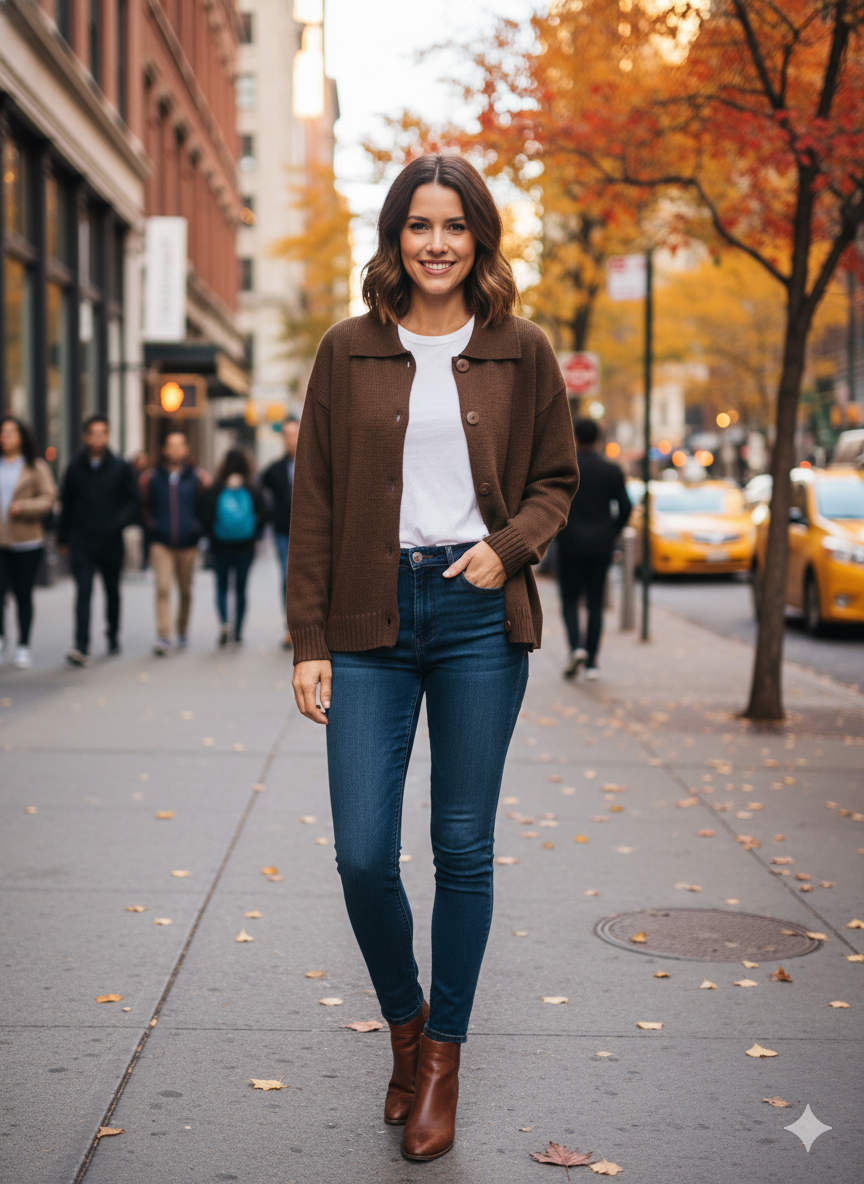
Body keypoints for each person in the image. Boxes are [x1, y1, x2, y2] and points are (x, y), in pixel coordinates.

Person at [286, 154, 578, 1162]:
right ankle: (405, 1024)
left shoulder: (522, 349)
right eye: (420, 224)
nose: (438, 242)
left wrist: (508, 548)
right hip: (368, 616)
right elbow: (313, 502)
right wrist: (310, 641)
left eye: (455, 224)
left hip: (475, 618)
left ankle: (441, 1059)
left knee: (461, 845)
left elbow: (557, 478)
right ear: (395, 237)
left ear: (480, 236)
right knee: (364, 851)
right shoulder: (346, 349)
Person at [58, 415, 140, 666]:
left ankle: (112, 635)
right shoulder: (74, 467)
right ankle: (81, 644)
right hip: (82, 540)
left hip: (110, 541)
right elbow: (67, 504)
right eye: (92, 433)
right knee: (83, 592)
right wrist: (63, 539)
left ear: (108, 436)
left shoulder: (120, 467)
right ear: (85, 437)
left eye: (102, 433)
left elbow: (133, 500)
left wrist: (119, 522)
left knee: (112, 591)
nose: (97, 438)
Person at [557, 417, 631, 680]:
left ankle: (576, 647)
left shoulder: (567, 468)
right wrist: (613, 532)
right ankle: (592, 663)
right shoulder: (611, 470)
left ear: (575, 438)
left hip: (570, 543)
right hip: (600, 545)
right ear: (599, 440)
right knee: (595, 602)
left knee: (569, 599)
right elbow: (626, 506)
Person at [140, 432, 208, 656]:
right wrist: (152, 527)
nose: (175, 451)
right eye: (171, 446)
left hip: (188, 543)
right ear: (164, 450)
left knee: (186, 590)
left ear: (186, 450)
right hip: (161, 542)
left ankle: (182, 630)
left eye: (180, 446)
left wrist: (197, 528)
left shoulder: (196, 478)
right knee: (163, 588)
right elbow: (144, 506)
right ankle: (163, 635)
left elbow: (204, 507)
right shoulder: (153, 478)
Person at [0, 416, 57, 669]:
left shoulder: (35, 467)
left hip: (26, 540)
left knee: (23, 594)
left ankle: (24, 644)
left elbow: (48, 498)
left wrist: (23, 507)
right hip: (0, 541)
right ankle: (1, 639)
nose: (6, 438)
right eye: (3, 433)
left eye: (12, 433)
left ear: (22, 436)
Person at [198, 449, 265, 647]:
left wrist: (211, 537)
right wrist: (254, 533)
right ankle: (238, 631)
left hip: (220, 545)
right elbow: (263, 512)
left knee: (221, 586)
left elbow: (205, 513)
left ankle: (224, 623)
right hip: (245, 545)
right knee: (241, 588)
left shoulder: (217, 487)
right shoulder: (252, 487)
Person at [261, 418, 298, 648]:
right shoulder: (275, 469)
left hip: (311, 532)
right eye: (286, 434)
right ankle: (290, 629)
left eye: (294, 434)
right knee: (287, 579)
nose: (290, 439)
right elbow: (262, 492)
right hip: (284, 531)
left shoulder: (316, 463)